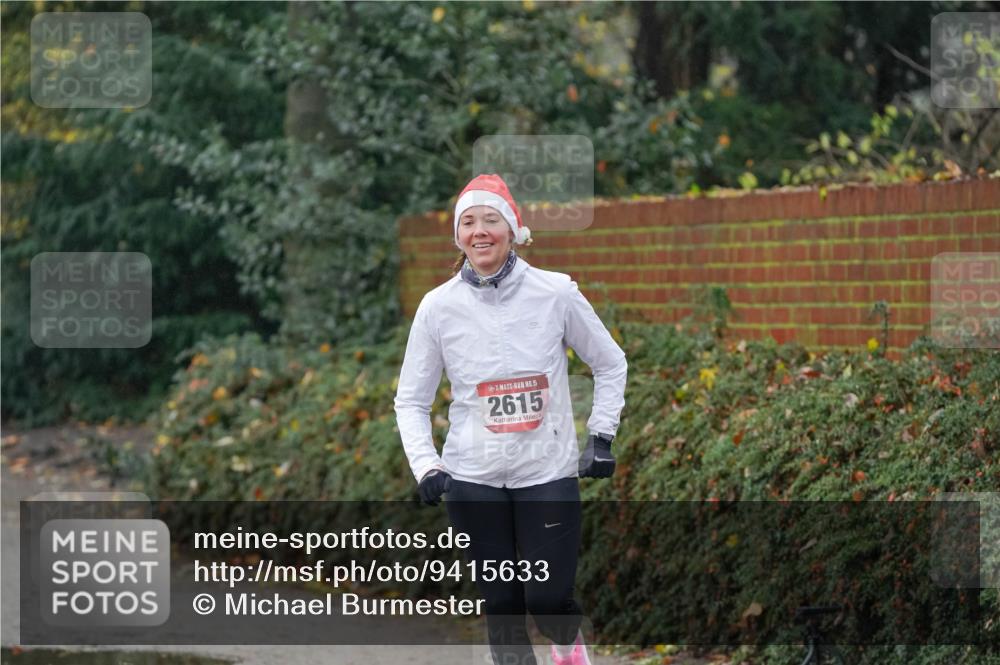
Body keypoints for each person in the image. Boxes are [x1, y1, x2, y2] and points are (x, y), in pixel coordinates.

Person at [394, 173, 627, 665]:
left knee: (547, 602)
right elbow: (411, 401)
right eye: (468, 222)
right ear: (458, 236)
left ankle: (568, 650)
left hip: (546, 470)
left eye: (491, 220)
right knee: (501, 605)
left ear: (513, 229)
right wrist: (427, 466)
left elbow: (610, 362)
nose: (480, 231)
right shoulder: (438, 308)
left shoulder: (555, 293)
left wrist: (601, 435)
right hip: (472, 476)